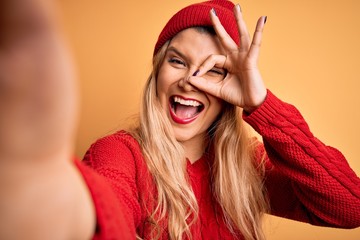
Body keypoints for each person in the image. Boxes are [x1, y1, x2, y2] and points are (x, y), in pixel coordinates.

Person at [0, 0, 359, 240]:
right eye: (177, 61)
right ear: (156, 73)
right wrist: (46, 199)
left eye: (213, 71)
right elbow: (106, 210)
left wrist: (262, 104)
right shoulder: (120, 154)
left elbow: (349, 205)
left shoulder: (246, 165)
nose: (190, 80)